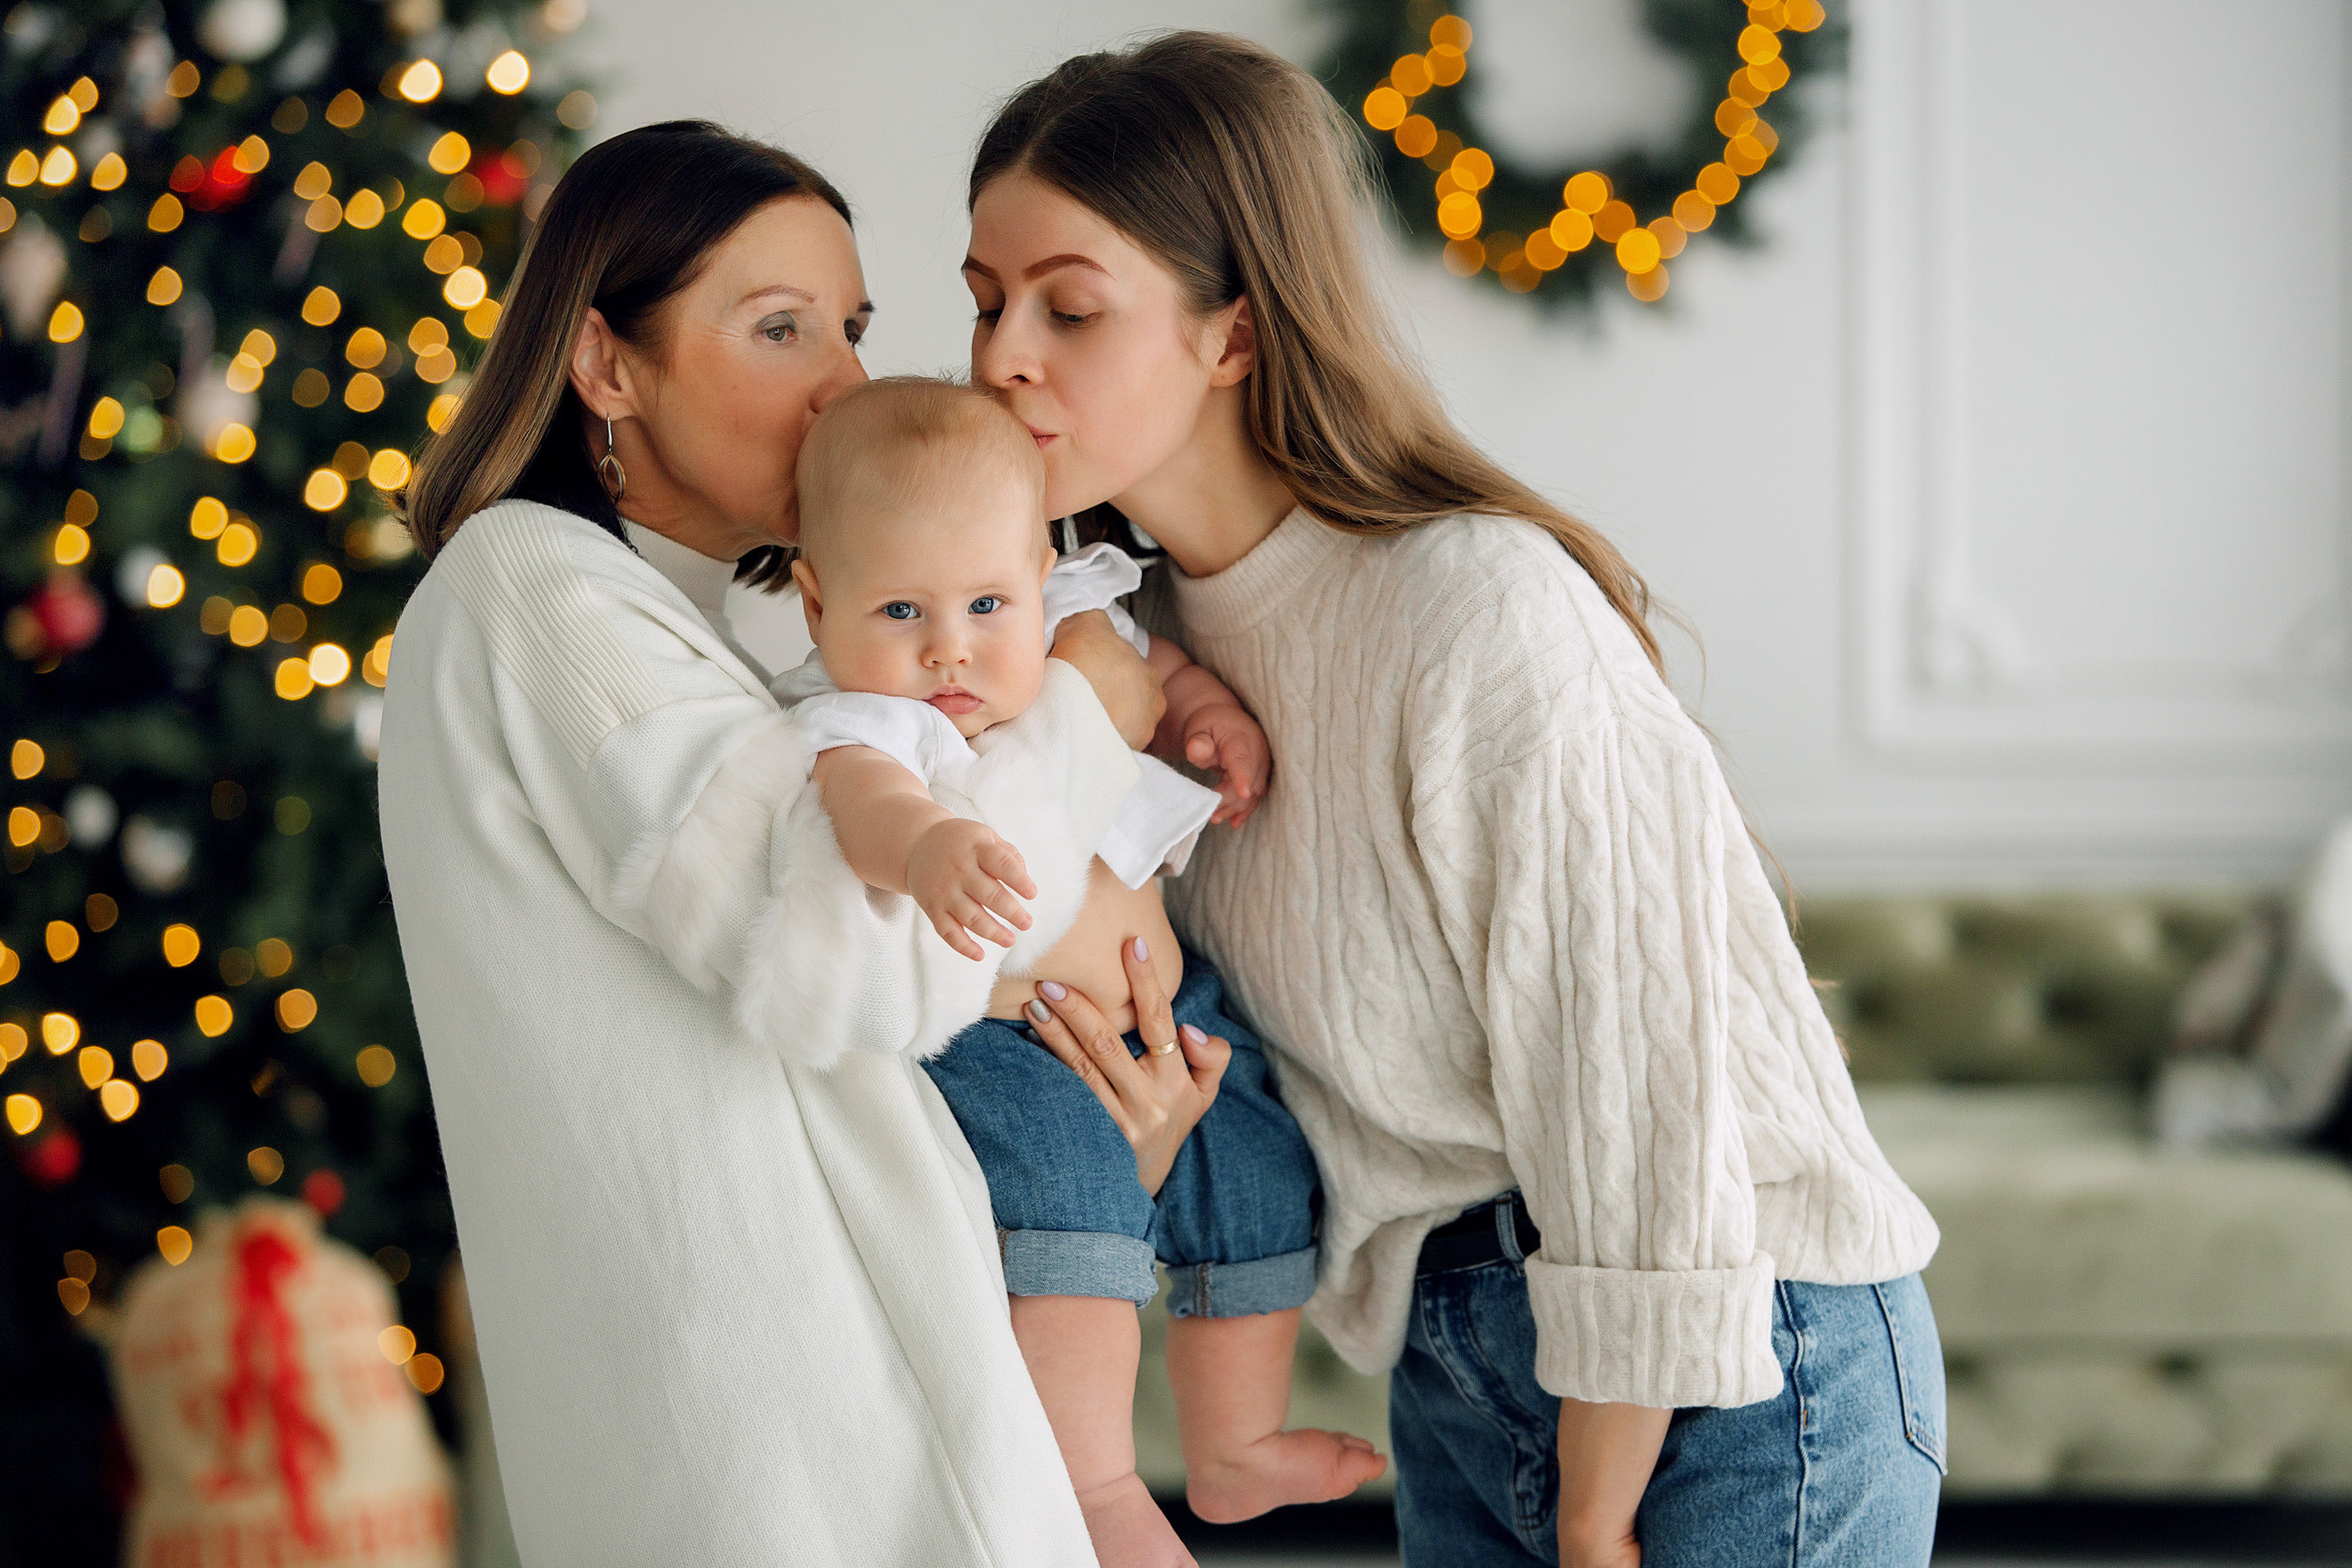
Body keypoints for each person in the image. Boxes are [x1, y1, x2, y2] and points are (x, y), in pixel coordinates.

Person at [963, 35, 1947, 1568]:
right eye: (983, 301)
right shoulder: (1107, 663)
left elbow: (1632, 1085)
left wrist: (1605, 1498)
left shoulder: (1469, 607)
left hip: (1726, 1361)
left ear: (1233, 333)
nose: (1002, 353)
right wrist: (1150, 1147)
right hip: (1458, 1360)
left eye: (1068, 306)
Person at [379, 121, 1224, 1566]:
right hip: (803, 1458)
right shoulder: (532, 590)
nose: (842, 377)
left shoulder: (693, 646)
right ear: (608, 365)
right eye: (778, 326)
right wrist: (1094, 695)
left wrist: (1092, 1129)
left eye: (851, 325)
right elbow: (864, 958)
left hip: (855, 1426)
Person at [778, 375, 1382, 1565]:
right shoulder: (867, 722)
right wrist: (927, 841)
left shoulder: (1072, 627)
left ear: (1038, 572)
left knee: (1256, 1168)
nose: (952, 644)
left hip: (1178, 1008)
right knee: (1071, 1204)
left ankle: (1233, 1445)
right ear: (815, 602)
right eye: (902, 608)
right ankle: (1100, 1483)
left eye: (987, 600)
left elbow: (1156, 679)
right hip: (1016, 1043)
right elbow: (864, 805)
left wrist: (1210, 724)